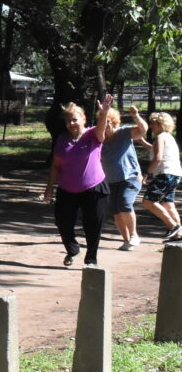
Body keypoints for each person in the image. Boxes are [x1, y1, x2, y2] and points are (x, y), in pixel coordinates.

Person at [43, 103, 109, 267]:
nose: (71, 123)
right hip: (66, 188)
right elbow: (56, 165)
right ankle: (73, 249)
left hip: (94, 187)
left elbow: (102, 129)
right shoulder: (62, 139)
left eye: (74, 119)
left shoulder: (93, 134)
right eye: (68, 121)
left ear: (83, 119)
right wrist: (49, 188)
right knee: (62, 222)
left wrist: (104, 113)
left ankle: (91, 259)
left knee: (93, 224)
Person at [97, 95, 147, 250]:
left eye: (109, 123)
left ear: (115, 122)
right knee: (116, 211)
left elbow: (143, 130)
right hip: (111, 180)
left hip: (130, 177)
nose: (107, 127)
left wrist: (136, 116)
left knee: (125, 203)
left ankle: (134, 235)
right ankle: (126, 241)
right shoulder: (100, 139)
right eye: (104, 124)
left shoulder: (124, 132)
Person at [139, 112, 181, 242]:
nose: (151, 126)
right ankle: (179, 235)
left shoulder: (160, 137)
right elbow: (154, 149)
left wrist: (147, 173)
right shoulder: (168, 137)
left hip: (165, 174)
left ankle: (173, 226)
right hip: (175, 174)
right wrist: (141, 141)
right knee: (168, 204)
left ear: (160, 124)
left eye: (152, 123)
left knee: (148, 201)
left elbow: (158, 157)